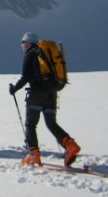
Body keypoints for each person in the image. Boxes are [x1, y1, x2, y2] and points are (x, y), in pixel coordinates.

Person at [9, 32, 81, 166]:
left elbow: (25, 77)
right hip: (52, 93)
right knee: (51, 123)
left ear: (29, 43)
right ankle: (70, 145)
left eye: (23, 42)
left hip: (36, 94)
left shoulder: (30, 54)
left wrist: (14, 89)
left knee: (30, 124)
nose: (22, 45)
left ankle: (33, 154)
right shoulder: (44, 54)